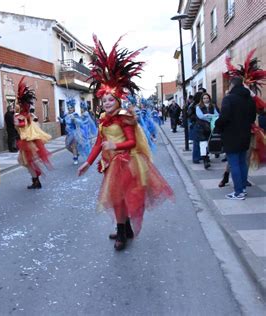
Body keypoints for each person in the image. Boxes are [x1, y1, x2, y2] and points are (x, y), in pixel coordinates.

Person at [78, 35, 173, 251]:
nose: (107, 103)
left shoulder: (124, 118)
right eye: (104, 101)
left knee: (119, 198)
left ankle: (122, 233)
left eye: (111, 100)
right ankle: (126, 228)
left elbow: (131, 142)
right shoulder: (103, 119)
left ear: (118, 101)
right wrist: (88, 162)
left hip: (126, 164)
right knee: (117, 197)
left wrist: (115, 147)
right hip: (110, 165)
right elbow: (98, 144)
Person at [215, 77, 256, 199]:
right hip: (245, 135)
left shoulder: (229, 99)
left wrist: (217, 125)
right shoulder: (249, 99)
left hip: (231, 136)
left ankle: (238, 192)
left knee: (234, 163)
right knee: (242, 162)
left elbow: (224, 117)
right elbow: (253, 117)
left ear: (232, 85)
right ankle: (242, 188)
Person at [15, 77, 52, 189]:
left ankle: (36, 180)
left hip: (27, 142)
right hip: (27, 141)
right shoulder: (28, 116)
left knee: (27, 162)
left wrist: (17, 120)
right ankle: (36, 179)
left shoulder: (22, 116)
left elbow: (21, 125)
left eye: (18, 104)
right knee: (27, 162)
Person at [195, 93, 219, 169]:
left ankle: (207, 157)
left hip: (210, 127)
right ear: (202, 99)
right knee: (203, 144)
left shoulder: (213, 106)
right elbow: (200, 116)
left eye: (207, 98)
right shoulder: (198, 107)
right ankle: (205, 160)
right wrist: (210, 116)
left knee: (209, 143)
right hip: (201, 127)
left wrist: (207, 116)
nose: (206, 99)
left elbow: (217, 115)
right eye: (204, 98)